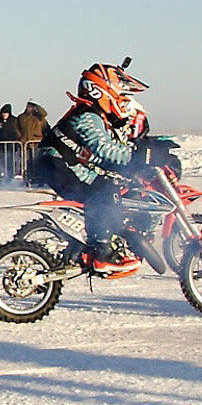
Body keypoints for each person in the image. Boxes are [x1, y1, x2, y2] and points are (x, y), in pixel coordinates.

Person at [39, 63, 142, 275]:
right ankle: (102, 253)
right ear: (101, 89)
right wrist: (139, 156)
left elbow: (97, 153)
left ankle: (96, 243)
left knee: (107, 184)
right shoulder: (88, 115)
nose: (121, 97)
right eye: (118, 90)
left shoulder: (91, 114)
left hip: (61, 164)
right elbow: (104, 148)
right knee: (104, 192)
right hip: (58, 165)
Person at [17, 100, 49, 184]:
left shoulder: (39, 118)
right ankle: (28, 178)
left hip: (36, 143)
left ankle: (38, 179)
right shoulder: (21, 117)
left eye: (31, 107)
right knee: (26, 163)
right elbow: (16, 128)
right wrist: (20, 137)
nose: (29, 108)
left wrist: (38, 107)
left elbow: (44, 114)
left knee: (37, 162)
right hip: (25, 143)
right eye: (28, 107)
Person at [0, 104, 21, 180]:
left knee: (10, 162)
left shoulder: (15, 121)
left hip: (11, 147)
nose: (4, 115)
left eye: (6, 113)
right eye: (3, 113)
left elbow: (18, 132)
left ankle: (10, 176)